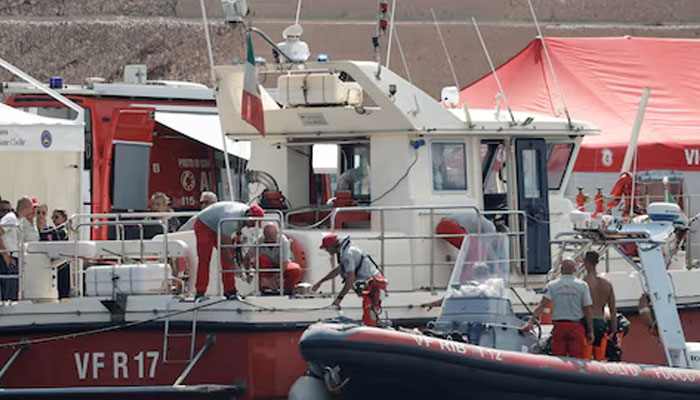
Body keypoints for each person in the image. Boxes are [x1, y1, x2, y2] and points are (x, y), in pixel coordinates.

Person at [521, 258, 594, 359]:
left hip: (559, 326)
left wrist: (530, 322)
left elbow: (542, 305)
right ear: (574, 270)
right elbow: (587, 309)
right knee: (577, 359)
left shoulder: (552, 285)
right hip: (576, 326)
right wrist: (590, 330)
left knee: (559, 359)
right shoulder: (582, 286)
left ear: (561, 269)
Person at [312, 234, 388, 326]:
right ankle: (371, 325)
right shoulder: (345, 252)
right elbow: (339, 269)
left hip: (374, 283)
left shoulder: (348, 254)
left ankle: (373, 327)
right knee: (368, 308)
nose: (327, 250)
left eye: (327, 248)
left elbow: (350, 279)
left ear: (333, 246)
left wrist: (339, 298)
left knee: (370, 308)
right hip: (370, 282)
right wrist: (321, 281)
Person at [194, 201, 265, 299]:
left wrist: (245, 269)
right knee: (205, 258)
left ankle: (230, 290)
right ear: (249, 217)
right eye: (254, 223)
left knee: (228, 257)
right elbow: (225, 249)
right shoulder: (231, 220)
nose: (253, 226)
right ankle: (200, 291)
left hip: (218, 224)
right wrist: (234, 266)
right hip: (204, 224)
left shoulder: (243, 214)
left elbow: (236, 244)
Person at [243, 223, 303, 294]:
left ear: (277, 234)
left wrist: (271, 280)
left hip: (281, 266)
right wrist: (249, 272)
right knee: (261, 259)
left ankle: (288, 290)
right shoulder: (259, 241)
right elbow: (247, 257)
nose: (270, 241)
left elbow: (285, 263)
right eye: (267, 237)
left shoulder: (283, 241)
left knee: (295, 269)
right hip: (267, 268)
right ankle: (265, 290)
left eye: (272, 237)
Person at [0, 196, 39, 300]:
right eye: (31, 208)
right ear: (27, 208)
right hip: (7, 257)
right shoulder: (10, 218)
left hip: (14, 258)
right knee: (8, 289)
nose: (32, 211)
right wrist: (5, 254)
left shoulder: (18, 220)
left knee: (13, 288)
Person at [582, 251, 617, 360]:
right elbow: (612, 309)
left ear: (586, 262)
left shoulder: (582, 283)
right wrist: (614, 330)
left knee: (585, 358)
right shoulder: (607, 283)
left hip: (585, 322)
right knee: (600, 358)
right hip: (600, 321)